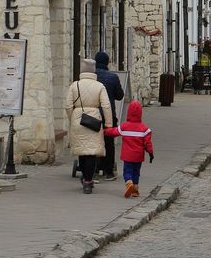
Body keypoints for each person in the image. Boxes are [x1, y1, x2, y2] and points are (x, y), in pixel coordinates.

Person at [65, 59, 113, 194]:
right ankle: (88, 181)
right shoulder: (99, 86)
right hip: (94, 120)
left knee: (82, 151)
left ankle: (84, 177)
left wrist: (73, 118)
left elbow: (68, 106)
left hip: (78, 119)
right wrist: (108, 124)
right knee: (91, 152)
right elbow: (106, 106)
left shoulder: (74, 85)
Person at [105, 99, 154, 198]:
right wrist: (150, 153)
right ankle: (135, 189)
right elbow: (148, 143)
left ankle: (129, 183)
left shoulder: (124, 126)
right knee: (136, 172)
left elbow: (114, 132)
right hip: (138, 156)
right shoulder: (145, 129)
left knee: (127, 171)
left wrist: (105, 131)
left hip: (127, 156)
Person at [94, 51, 124, 180]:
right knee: (109, 143)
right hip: (109, 114)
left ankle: (94, 169)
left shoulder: (91, 77)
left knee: (94, 141)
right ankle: (109, 171)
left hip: (93, 114)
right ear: (107, 62)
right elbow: (120, 95)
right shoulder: (113, 77)